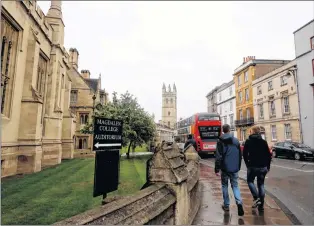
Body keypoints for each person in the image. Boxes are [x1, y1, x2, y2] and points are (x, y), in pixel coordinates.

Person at [215, 124, 244, 216]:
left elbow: (218, 156)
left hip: (225, 168)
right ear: (229, 130)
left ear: (223, 131)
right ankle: (239, 203)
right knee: (235, 186)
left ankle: (226, 205)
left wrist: (217, 169)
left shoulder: (220, 141)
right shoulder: (235, 140)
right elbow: (240, 155)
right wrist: (238, 166)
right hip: (234, 167)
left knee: (224, 186)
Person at [243, 125, 272, 212]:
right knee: (261, 185)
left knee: (250, 181)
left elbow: (244, 154)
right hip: (263, 167)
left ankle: (256, 197)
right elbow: (268, 155)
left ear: (253, 132)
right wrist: (268, 166)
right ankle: (261, 206)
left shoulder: (248, 141)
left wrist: (247, 164)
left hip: (252, 166)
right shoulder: (263, 142)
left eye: (251, 131)